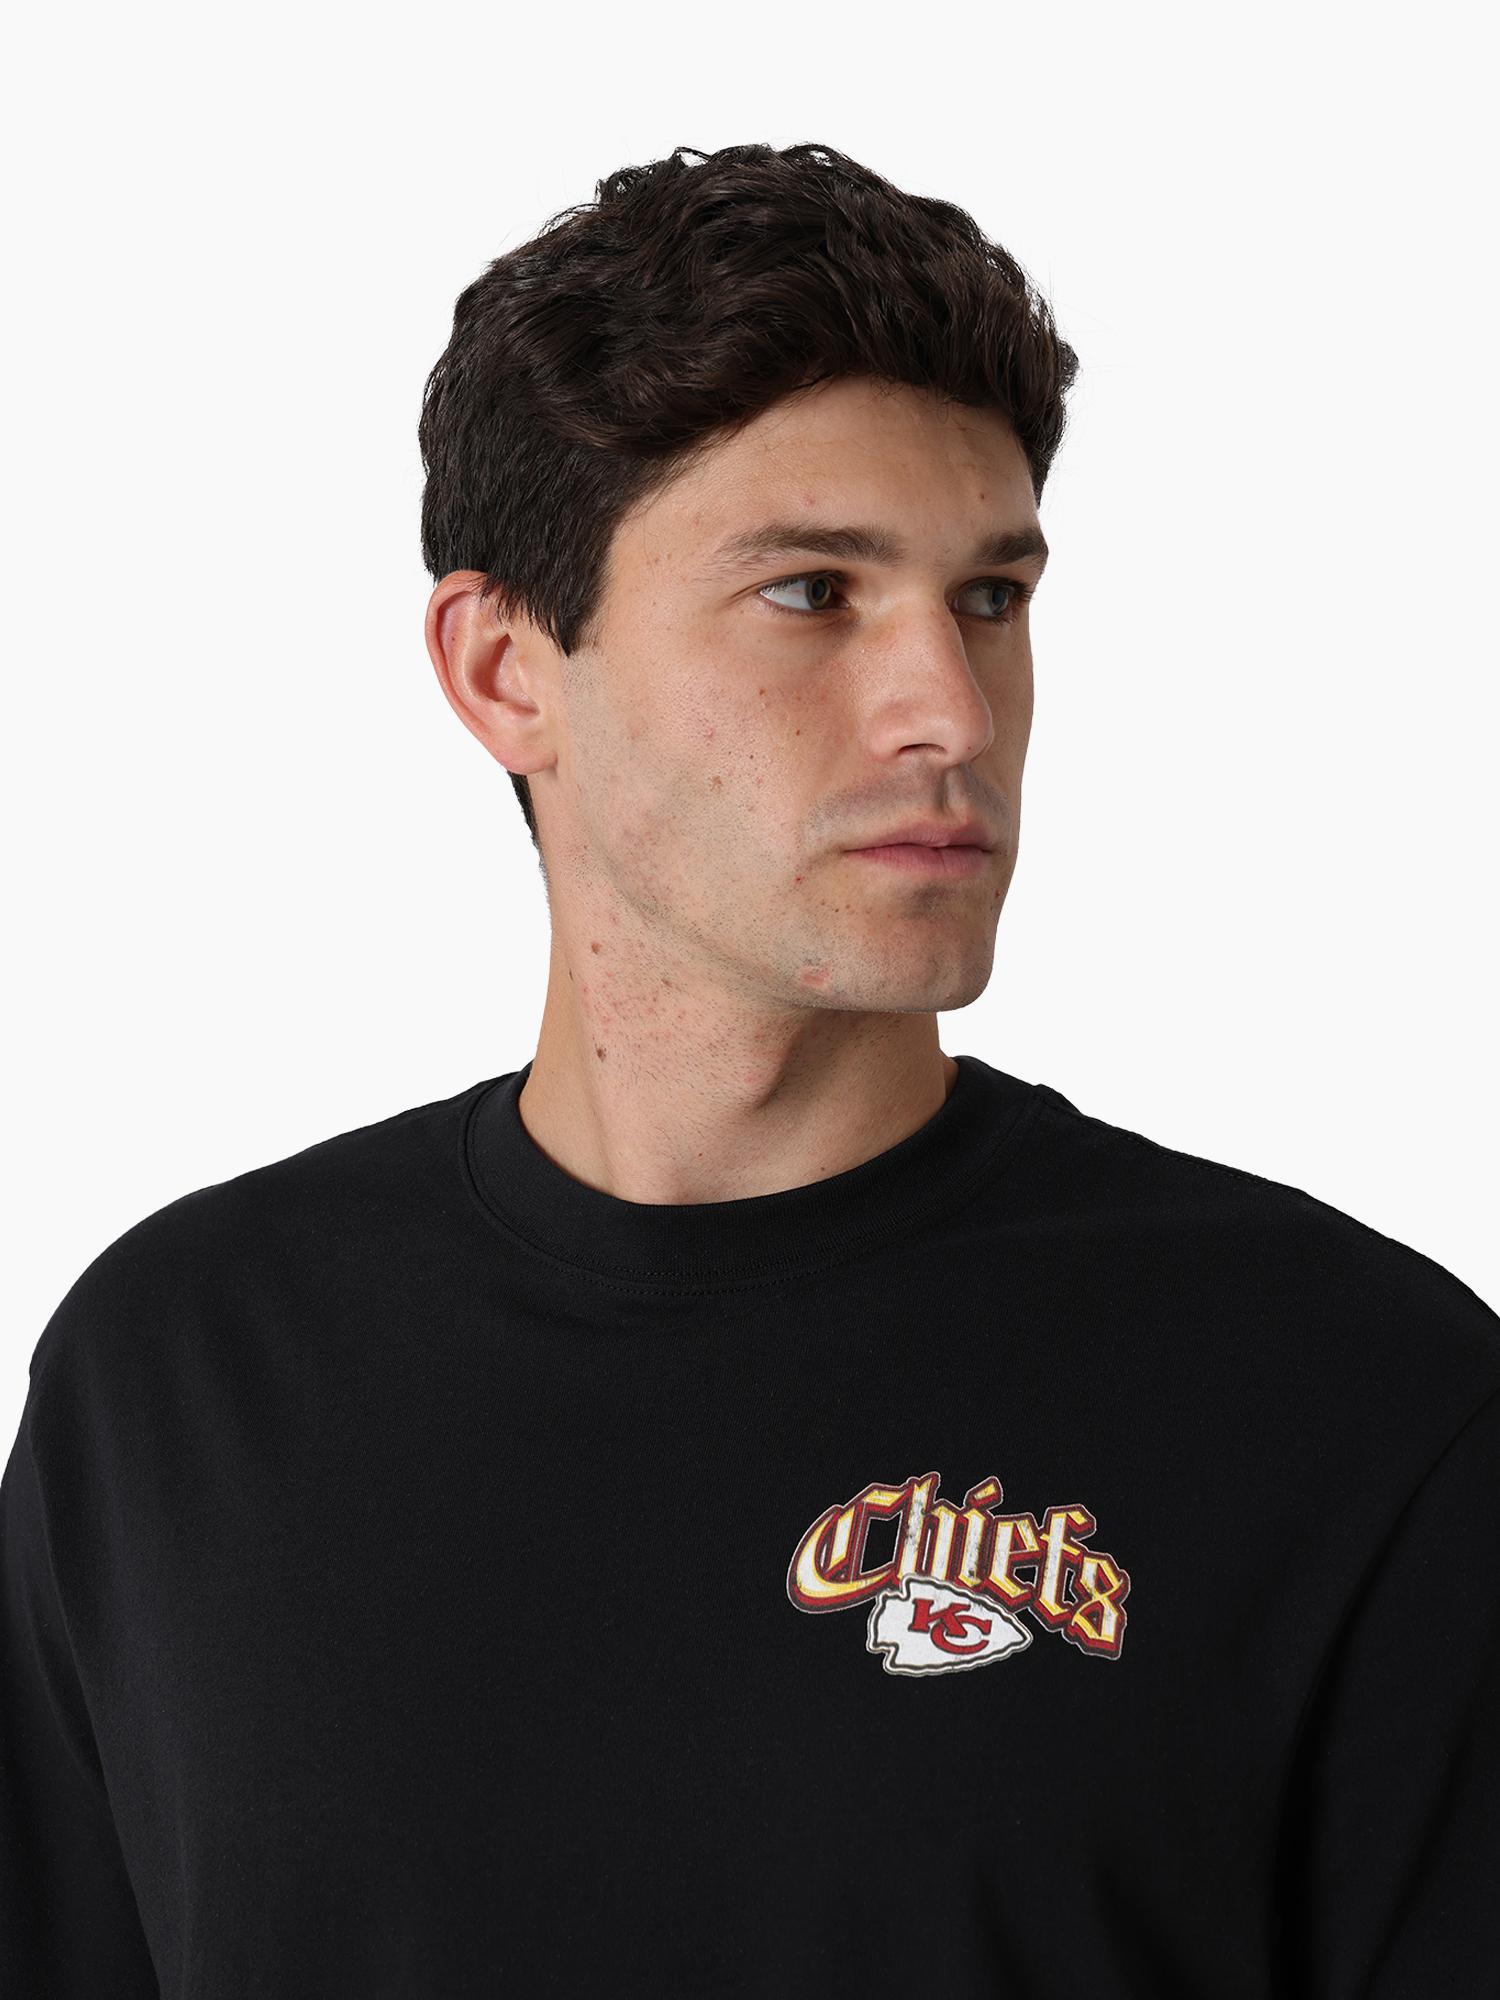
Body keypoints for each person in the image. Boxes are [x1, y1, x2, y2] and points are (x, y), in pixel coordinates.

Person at [2, 140, 1496, 2000]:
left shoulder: (1351, 1402)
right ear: (506, 670)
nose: (950, 711)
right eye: (811, 593)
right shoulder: (177, 1379)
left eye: (991, 597)